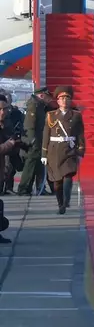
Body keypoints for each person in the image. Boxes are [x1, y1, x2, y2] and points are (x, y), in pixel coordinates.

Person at [41, 86, 85, 215]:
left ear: (70, 100)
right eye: (62, 98)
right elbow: (46, 135)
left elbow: (80, 134)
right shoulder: (51, 115)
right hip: (54, 151)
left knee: (68, 175)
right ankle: (60, 203)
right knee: (57, 182)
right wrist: (44, 153)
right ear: (58, 101)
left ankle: (66, 200)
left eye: (67, 98)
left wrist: (81, 151)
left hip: (70, 149)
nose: (64, 100)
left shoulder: (76, 115)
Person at [17, 87, 54, 196]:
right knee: (31, 164)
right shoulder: (33, 106)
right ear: (42, 95)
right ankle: (23, 188)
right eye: (47, 97)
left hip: (39, 140)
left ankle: (39, 187)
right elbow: (29, 125)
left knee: (39, 165)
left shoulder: (40, 106)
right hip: (34, 141)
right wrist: (32, 140)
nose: (49, 100)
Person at [0, 94, 18, 243]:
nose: (3, 112)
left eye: (5, 109)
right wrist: (9, 144)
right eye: (0, 109)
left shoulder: (5, 124)